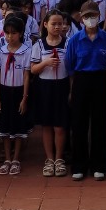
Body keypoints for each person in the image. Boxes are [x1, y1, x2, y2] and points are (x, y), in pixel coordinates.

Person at [66, 1, 106, 181]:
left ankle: (99, 165)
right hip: (80, 81)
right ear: (81, 17)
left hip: (100, 81)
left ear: (99, 16)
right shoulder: (74, 40)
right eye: (86, 16)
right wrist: (72, 89)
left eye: (93, 16)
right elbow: (70, 66)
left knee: (99, 124)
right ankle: (79, 165)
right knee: (79, 125)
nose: (90, 19)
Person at [30, 9, 71, 177]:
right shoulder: (39, 45)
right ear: (45, 25)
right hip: (44, 88)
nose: (57, 27)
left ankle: (60, 158)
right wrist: (45, 63)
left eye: (60, 24)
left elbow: (72, 68)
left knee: (60, 126)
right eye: (53, 24)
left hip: (62, 86)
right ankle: (49, 158)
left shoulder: (68, 43)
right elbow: (33, 69)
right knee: (46, 125)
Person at [0, 15, 32, 175]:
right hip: (4, 91)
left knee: (18, 126)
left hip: (18, 91)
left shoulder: (26, 51)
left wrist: (24, 97)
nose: (10, 36)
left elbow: (26, 75)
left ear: (21, 33)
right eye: (7, 33)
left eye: (14, 33)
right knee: (5, 126)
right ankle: (7, 158)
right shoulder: (0, 51)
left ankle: (16, 158)